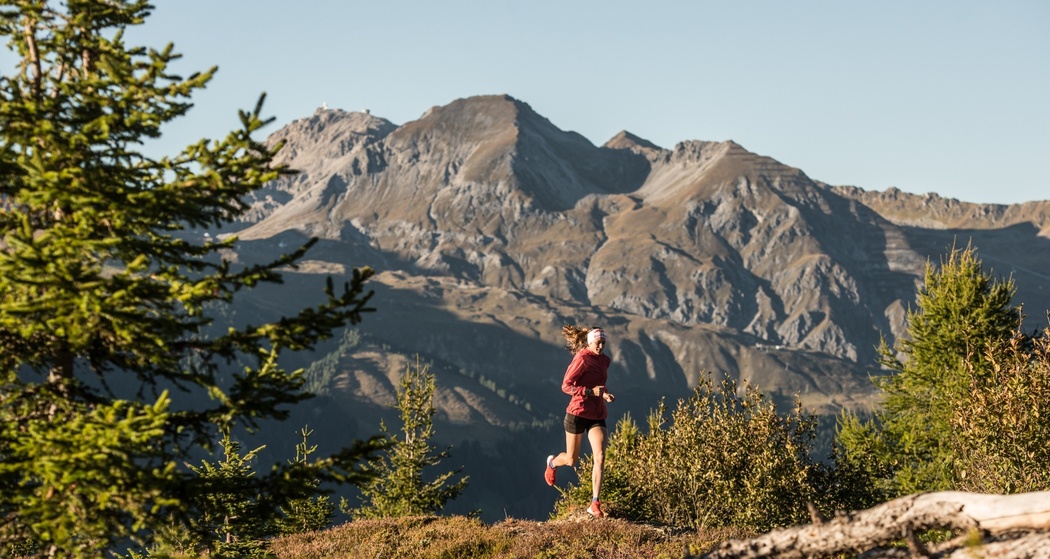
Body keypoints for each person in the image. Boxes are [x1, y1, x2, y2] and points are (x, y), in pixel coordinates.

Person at [544, 325, 616, 518]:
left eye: (603, 343)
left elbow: (598, 384)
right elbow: (566, 386)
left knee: (600, 456)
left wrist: (605, 394)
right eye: (597, 343)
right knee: (571, 460)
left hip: (597, 414)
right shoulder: (582, 359)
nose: (601, 347)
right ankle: (552, 464)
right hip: (577, 413)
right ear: (589, 342)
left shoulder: (604, 361)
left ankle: (595, 503)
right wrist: (589, 392)